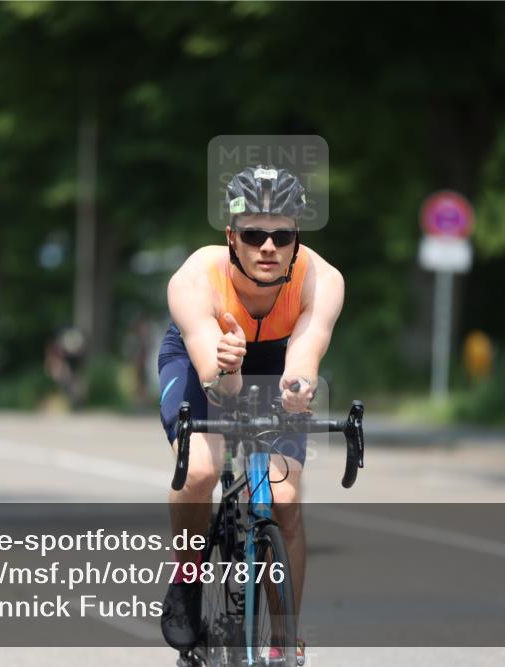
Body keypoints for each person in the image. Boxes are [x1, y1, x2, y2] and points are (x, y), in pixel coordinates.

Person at [158, 165, 345, 664]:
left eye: (281, 235)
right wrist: (231, 367)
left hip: (276, 358)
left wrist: (298, 391)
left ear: (296, 239)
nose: (268, 246)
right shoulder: (197, 279)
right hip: (208, 361)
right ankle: (188, 576)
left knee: (284, 500)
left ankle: (285, 641)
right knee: (199, 469)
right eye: (254, 234)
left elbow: (303, 361)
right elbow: (219, 388)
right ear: (231, 238)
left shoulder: (321, 280)